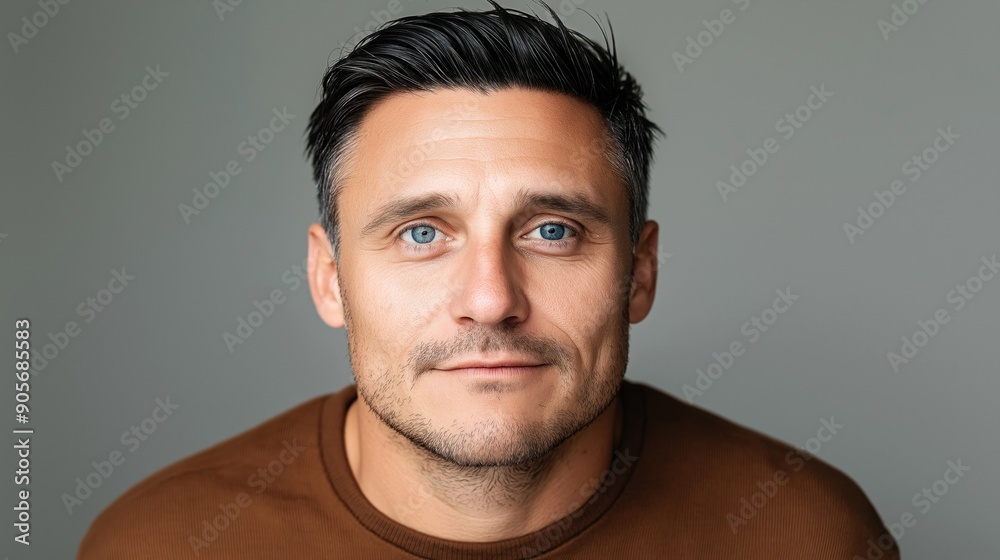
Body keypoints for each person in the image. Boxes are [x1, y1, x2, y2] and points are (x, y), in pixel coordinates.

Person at [78, 1, 900, 558]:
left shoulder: (808, 535)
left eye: (552, 231)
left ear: (639, 272)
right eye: (422, 233)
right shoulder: (160, 543)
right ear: (329, 281)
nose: (490, 299)